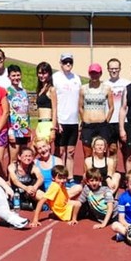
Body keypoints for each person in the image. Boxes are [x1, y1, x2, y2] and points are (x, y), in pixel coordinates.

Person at [53, 53, 82, 182]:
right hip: (61, 120)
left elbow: (80, 100)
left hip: (74, 121)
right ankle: (59, 176)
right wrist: (56, 121)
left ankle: (69, 177)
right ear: (61, 63)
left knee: (71, 152)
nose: (68, 64)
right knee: (60, 152)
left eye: (70, 62)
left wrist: (80, 118)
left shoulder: (77, 78)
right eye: (65, 62)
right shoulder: (55, 78)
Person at [79, 63, 114, 158]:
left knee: (102, 153)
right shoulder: (83, 88)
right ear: (89, 74)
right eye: (92, 73)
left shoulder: (106, 88)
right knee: (87, 154)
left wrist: (106, 120)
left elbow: (111, 107)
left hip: (102, 125)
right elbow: (80, 107)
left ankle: (103, 172)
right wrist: (83, 120)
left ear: (100, 73)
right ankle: (88, 173)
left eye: (96, 73)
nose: (94, 75)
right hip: (88, 126)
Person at [103, 58, 131, 157]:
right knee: (112, 150)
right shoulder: (104, 85)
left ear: (120, 69)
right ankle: (112, 172)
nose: (114, 71)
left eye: (116, 68)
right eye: (111, 69)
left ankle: (128, 172)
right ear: (108, 69)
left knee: (126, 150)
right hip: (110, 122)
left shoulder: (127, 84)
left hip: (124, 121)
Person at [6, 64, 31, 163]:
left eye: (18, 75)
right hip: (14, 129)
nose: (16, 78)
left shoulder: (24, 91)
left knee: (24, 157)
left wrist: (29, 130)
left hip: (24, 129)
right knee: (14, 159)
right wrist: (10, 131)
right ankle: (11, 178)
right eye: (13, 75)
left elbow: (27, 111)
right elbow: (7, 112)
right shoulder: (7, 92)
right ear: (9, 77)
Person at [34, 62, 58, 142]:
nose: (42, 76)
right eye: (40, 73)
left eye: (44, 73)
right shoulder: (40, 89)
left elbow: (55, 110)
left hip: (47, 124)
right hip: (40, 124)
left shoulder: (51, 89)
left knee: (39, 150)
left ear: (49, 74)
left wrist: (53, 129)